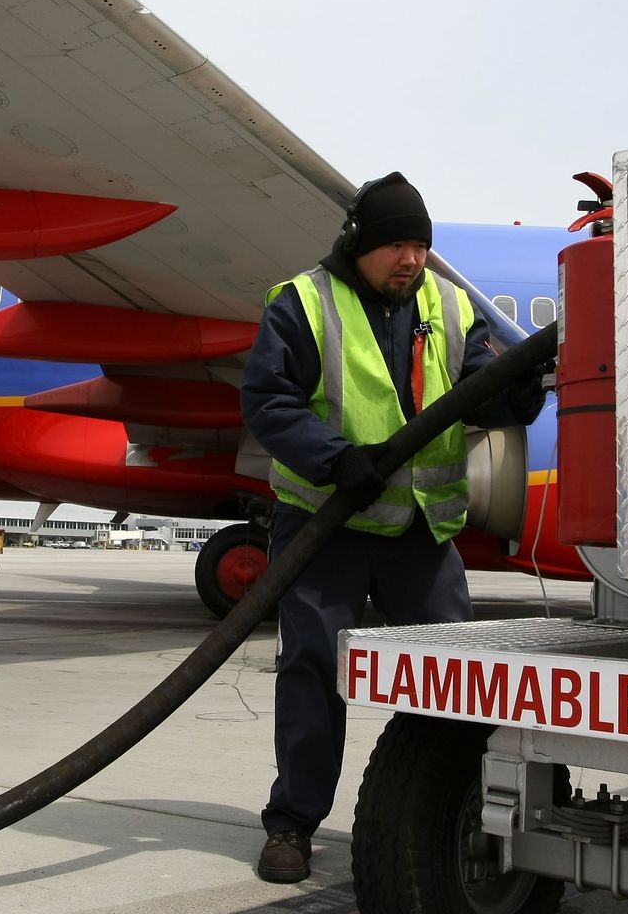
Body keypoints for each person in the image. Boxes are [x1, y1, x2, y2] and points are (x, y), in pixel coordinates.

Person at [239, 171, 543, 883]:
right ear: (358, 243)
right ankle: (292, 824)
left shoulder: (446, 303)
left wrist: (518, 396)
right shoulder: (304, 302)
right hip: (327, 524)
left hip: (419, 532)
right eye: (395, 245)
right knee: (312, 672)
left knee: (461, 677)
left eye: (418, 245)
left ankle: (465, 811)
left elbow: (478, 392)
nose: (409, 259)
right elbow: (269, 401)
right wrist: (334, 459)